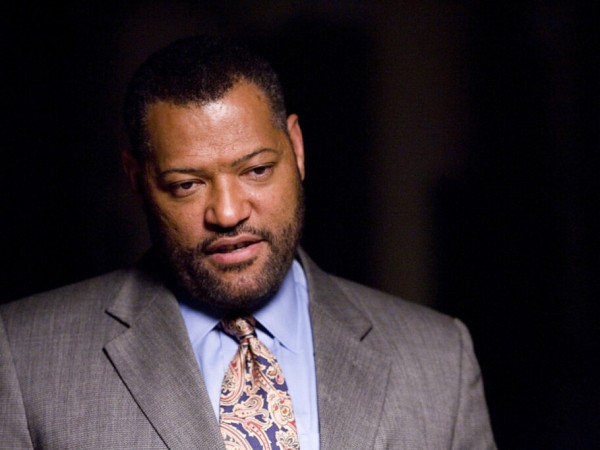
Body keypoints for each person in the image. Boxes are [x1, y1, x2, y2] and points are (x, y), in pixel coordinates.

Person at [0, 35, 496, 449]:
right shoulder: (23, 358)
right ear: (137, 181)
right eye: (186, 184)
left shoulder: (439, 360)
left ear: (296, 149)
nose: (228, 213)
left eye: (256, 170)